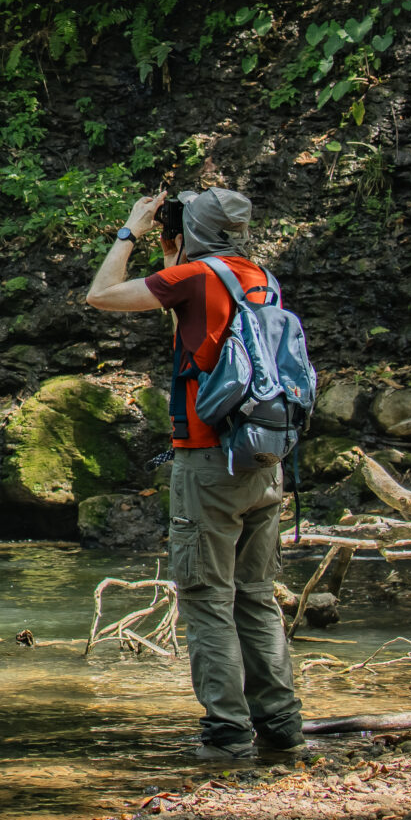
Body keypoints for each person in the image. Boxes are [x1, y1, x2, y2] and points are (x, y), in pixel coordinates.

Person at [84, 186, 305, 759]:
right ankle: (281, 725)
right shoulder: (260, 279)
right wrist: (172, 252)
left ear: (194, 231)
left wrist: (131, 231)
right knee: (255, 595)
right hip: (264, 457)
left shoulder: (196, 277)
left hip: (209, 462)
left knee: (207, 598)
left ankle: (227, 735)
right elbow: (194, 327)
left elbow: (101, 295)